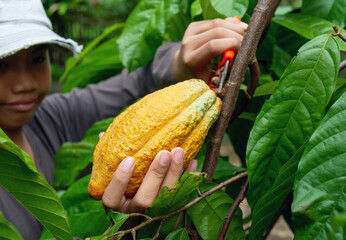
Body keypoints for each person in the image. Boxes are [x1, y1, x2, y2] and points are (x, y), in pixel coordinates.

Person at [0, 0, 247, 239]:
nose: (25, 84)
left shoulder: (51, 118)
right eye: (2, 65)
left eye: (37, 59)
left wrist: (183, 60)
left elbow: (135, 87)